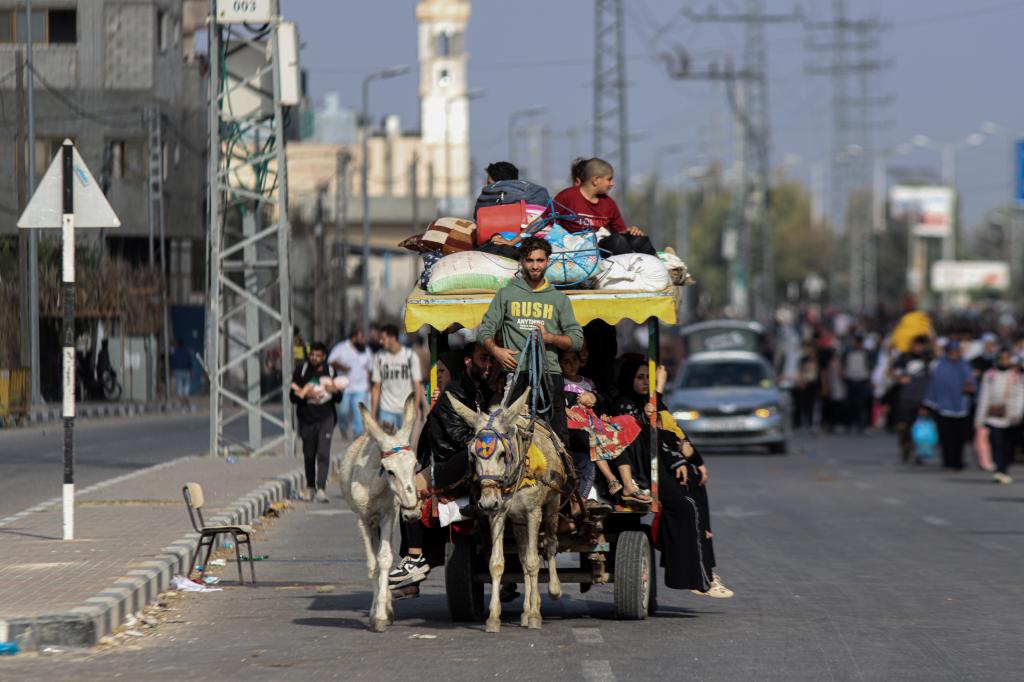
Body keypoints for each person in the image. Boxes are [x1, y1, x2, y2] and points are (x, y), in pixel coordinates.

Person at [389, 343, 495, 597]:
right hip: (452, 460)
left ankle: (414, 557)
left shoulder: (465, 392)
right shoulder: (460, 392)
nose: (440, 378)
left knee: (410, 491)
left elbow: (459, 438)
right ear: (469, 363)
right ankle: (413, 563)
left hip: (458, 462)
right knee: (409, 490)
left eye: (443, 372)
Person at [477, 236, 584, 448]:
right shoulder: (507, 293)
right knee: (507, 436)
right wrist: (497, 351)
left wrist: (550, 338)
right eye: (529, 260)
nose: (535, 265)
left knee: (558, 439)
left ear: (547, 262)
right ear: (522, 262)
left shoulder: (559, 299)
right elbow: (484, 331)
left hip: (550, 373)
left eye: (540, 260)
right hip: (517, 373)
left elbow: (577, 340)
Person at [550, 157, 657, 256]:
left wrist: (631, 231)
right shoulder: (567, 196)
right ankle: (629, 268)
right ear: (595, 180)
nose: (612, 184)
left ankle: (659, 265)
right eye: (609, 179)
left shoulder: (608, 203)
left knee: (638, 240)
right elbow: (547, 224)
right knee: (617, 242)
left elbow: (620, 231)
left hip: (604, 243)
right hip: (579, 249)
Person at [290, 341, 342, 502]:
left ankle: (321, 488)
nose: (314, 358)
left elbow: (339, 397)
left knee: (324, 453)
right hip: (307, 419)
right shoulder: (302, 371)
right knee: (309, 453)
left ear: (323, 357)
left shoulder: (331, 371)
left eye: (317, 355)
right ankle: (311, 486)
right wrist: (307, 395)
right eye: (312, 354)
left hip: (326, 417)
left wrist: (334, 392)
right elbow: (292, 397)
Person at [923, 340, 976, 471]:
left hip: (962, 405)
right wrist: (927, 404)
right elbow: (934, 386)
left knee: (960, 437)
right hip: (943, 407)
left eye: (957, 352)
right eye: (952, 352)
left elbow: (973, 383)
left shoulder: (965, 366)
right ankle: (947, 460)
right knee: (946, 436)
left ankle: (958, 461)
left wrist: (971, 388)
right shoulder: (940, 367)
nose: (955, 354)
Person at [974, 348, 1024, 484]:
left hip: (1011, 416)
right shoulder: (990, 375)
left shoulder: (1017, 376)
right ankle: (999, 470)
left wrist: (1017, 413)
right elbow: (984, 396)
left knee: (1009, 446)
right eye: (1002, 358)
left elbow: (1021, 395)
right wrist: (980, 418)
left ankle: (1005, 468)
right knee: (996, 444)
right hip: (993, 416)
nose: (1004, 361)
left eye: (1007, 358)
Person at [370, 324, 425, 431]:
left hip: (406, 411)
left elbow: (417, 385)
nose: (380, 342)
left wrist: (416, 408)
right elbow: (376, 387)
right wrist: (373, 413)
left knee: (403, 447)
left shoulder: (410, 356)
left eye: (383, 339)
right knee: (389, 446)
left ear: (393, 338)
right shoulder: (379, 357)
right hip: (386, 410)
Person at [890, 335, 933, 464]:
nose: (918, 348)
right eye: (916, 345)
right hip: (905, 396)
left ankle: (919, 452)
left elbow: (939, 354)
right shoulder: (904, 357)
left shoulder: (927, 357)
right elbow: (891, 371)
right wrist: (899, 378)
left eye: (921, 345)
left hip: (922, 396)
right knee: (904, 425)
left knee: (919, 426)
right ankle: (905, 445)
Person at [328, 325, 373, 438]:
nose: (363, 340)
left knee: (358, 414)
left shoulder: (366, 350)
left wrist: (369, 385)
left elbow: (370, 369)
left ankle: (357, 436)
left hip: (361, 389)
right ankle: (343, 427)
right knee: (343, 412)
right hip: (345, 388)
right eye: (361, 337)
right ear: (353, 338)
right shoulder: (341, 348)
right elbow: (330, 360)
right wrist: (341, 367)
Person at [841, 335, 873, 432]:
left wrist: (868, 378)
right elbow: (844, 366)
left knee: (861, 404)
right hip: (850, 380)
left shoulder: (866, 354)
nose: (853, 344)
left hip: (862, 381)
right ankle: (849, 424)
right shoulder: (848, 353)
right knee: (849, 404)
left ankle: (861, 425)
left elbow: (870, 367)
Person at [170, 339, 193, 404]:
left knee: (179, 384)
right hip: (186, 370)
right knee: (187, 383)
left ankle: (180, 396)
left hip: (177, 370)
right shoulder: (187, 351)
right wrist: (191, 370)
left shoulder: (175, 351)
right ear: (183, 344)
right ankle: (186, 394)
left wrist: (171, 370)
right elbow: (190, 361)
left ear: (178, 344)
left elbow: (172, 361)